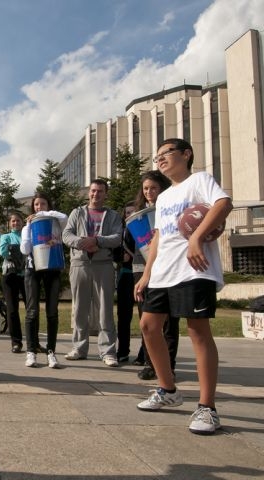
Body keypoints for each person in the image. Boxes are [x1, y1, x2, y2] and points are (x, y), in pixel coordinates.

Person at [135, 138, 232, 435]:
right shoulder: (163, 198)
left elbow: (223, 204)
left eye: (167, 154)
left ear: (186, 154)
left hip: (193, 270)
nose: (160, 160)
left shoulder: (200, 180)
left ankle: (207, 407)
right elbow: (158, 239)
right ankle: (168, 389)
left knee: (197, 331)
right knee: (149, 327)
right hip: (163, 271)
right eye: (157, 156)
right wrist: (146, 274)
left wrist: (196, 237)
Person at [62, 179, 123, 367]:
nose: (96, 194)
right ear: (89, 193)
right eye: (93, 191)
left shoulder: (112, 215)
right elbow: (66, 235)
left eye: (100, 191)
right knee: (79, 308)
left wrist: (97, 241)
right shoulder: (77, 212)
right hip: (80, 264)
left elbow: (117, 237)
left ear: (106, 194)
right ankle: (79, 348)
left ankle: (107, 351)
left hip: (103, 265)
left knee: (105, 309)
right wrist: (82, 242)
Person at [130, 171, 180, 381]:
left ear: (162, 188)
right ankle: (151, 364)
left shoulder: (171, 210)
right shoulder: (137, 214)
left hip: (167, 268)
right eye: (146, 189)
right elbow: (129, 241)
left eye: (154, 188)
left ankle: (169, 365)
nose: (149, 192)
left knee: (169, 320)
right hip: (141, 269)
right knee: (147, 319)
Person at [20, 192, 67, 368]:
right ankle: (31, 351)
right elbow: (25, 250)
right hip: (33, 269)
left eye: (43, 204)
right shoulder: (28, 227)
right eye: (36, 205)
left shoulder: (56, 223)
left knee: (52, 311)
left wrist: (45, 215)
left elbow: (65, 217)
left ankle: (51, 352)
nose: (39, 208)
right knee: (32, 311)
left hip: (52, 267)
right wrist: (28, 229)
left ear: (49, 206)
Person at [0, 212, 27, 354]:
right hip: (10, 275)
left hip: (27, 275)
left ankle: (34, 341)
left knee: (31, 309)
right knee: (12, 309)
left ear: (23, 222)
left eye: (18, 220)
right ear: (9, 224)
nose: (16, 223)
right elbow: (3, 252)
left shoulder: (28, 235)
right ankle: (16, 342)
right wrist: (21, 253)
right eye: (13, 221)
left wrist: (15, 250)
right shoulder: (5, 237)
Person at [116, 202, 137, 364]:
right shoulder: (121, 232)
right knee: (123, 316)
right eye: (127, 212)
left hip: (142, 275)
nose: (129, 215)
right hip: (125, 275)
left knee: (147, 318)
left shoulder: (144, 230)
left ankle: (145, 354)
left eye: (133, 212)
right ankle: (123, 351)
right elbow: (115, 253)